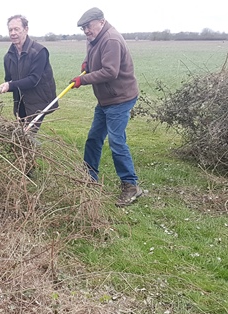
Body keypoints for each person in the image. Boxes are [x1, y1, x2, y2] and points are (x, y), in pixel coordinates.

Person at [70, 7, 143, 207]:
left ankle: (131, 186)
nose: (86, 31)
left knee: (116, 141)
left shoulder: (110, 39)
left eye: (88, 26)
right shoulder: (93, 37)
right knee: (94, 137)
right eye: (83, 28)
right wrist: (87, 63)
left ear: (101, 22)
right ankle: (88, 177)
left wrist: (81, 80)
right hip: (105, 99)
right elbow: (94, 55)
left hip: (120, 98)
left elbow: (110, 71)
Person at [0, 15, 57, 134]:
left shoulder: (39, 52)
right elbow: (9, 79)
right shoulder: (8, 57)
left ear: (26, 29)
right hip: (20, 102)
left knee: (28, 134)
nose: (13, 33)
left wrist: (10, 85)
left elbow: (34, 79)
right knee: (21, 134)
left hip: (38, 101)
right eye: (10, 30)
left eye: (16, 29)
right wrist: (6, 86)